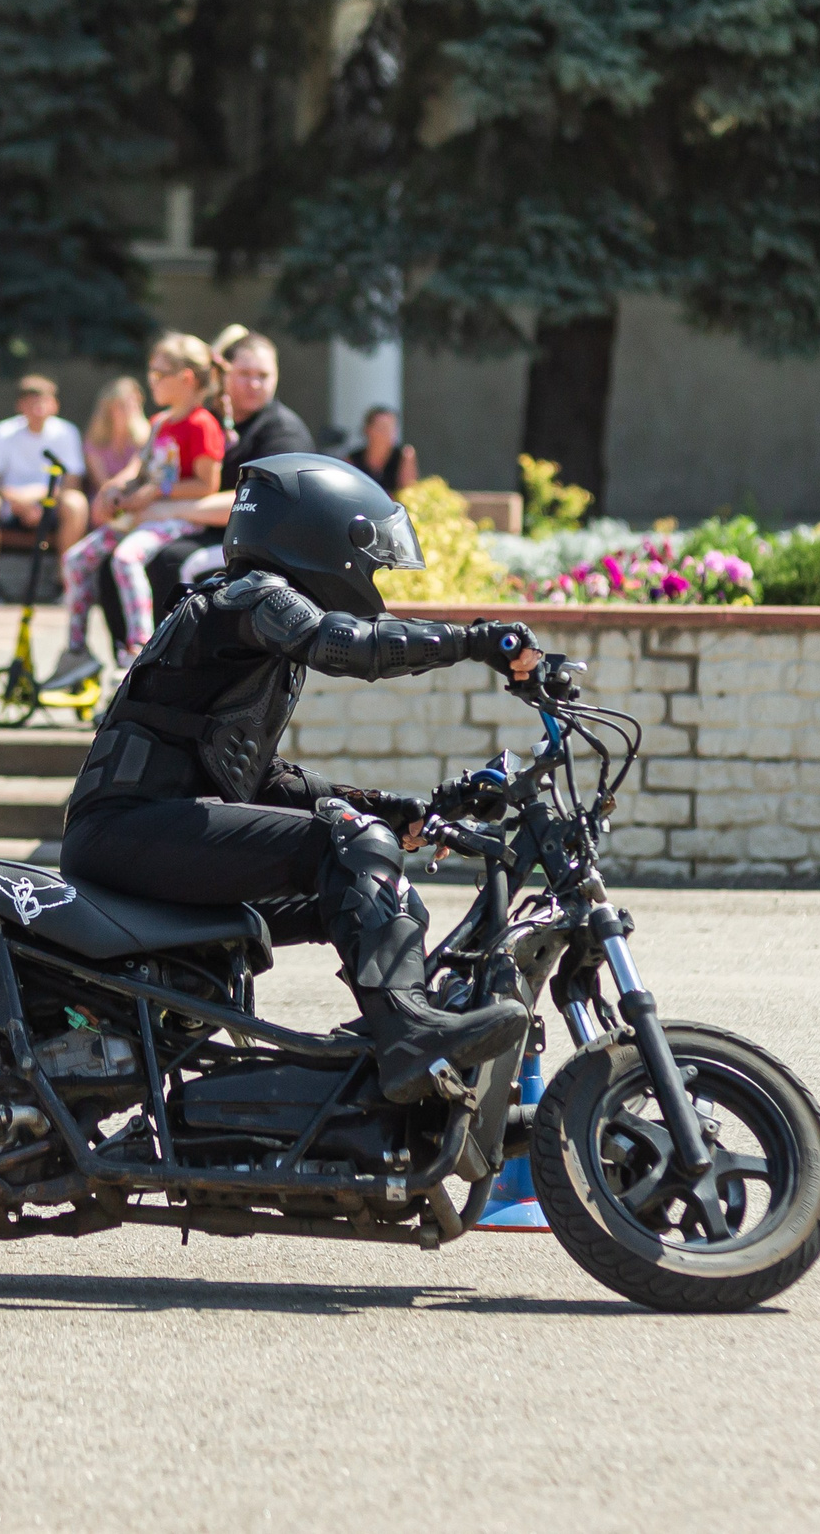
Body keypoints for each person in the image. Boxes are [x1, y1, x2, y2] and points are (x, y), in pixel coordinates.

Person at [58, 452, 543, 1103]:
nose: (372, 572)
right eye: (366, 551)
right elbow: (350, 645)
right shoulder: (250, 597)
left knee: (370, 884)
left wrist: (403, 810)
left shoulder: (245, 626)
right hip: (125, 829)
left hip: (150, 827)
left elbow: (258, 778)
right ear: (315, 532)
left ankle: (372, 1053)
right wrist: (480, 642)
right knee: (348, 842)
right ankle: (408, 1036)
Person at [47, 335, 225, 677]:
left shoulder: (202, 424)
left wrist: (157, 491)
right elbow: (139, 469)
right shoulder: (160, 422)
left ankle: (140, 648)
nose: (152, 381)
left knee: (127, 559)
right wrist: (118, 488)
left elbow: (207, 484)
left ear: (185, 378)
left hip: (179, 517)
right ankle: (77, 649)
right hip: (143, 514)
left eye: (159, 374)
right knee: (76, 559)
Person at [135, 330, 315, 617]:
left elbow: (256, 505)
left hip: (260, 545)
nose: (254, 383)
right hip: (209, 530)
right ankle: (130, 651)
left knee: (170, 560)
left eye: (263, 375)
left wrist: (168, 509)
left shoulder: (283, 432)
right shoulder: (209, 418)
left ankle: (177, 657)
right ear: (225, 374)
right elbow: (158, 464)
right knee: (118, 556)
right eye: (244, 373)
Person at [0, 374, 90, 603]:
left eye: (44, 401)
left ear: (55, 405)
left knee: (76, 503)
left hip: (52, 507)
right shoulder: (3, 432)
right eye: (32, 402)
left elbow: (72, 483)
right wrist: (18, 501)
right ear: (20, 405)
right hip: (10, 507)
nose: (39, 409)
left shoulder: (66, 433)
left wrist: (39, 499)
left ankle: (63, 584)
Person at [83, 376, 150, 503]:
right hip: (103, 500)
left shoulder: (146, 437)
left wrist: (116, 490)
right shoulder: (94, 440)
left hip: (134, 498)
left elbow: (134, 471)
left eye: (133, 404)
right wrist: (111, 492)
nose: (128, 410)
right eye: (121, 405)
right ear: (108, 408)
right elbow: (100, 481)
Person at [344, 404, 418, 493]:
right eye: (381, 427)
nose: (386, 433)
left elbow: (408, 489)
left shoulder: (403, 456)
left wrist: (408, 459)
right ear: (367, 429)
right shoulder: (352, 460)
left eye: (391, 428)